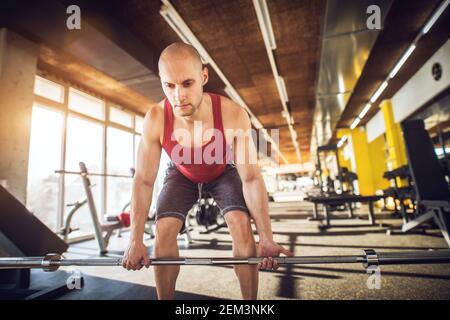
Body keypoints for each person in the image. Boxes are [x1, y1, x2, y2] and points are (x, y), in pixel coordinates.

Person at [122, 42, 293, 300]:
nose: (178, 96)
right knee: (165, 228)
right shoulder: (156, 118)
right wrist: (135, 240)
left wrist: (266, 237)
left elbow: (251, 178)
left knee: (239, 222)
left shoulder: (232, 114)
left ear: (204, 76)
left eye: (187, 83)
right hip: (181, 173)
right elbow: (144, 180)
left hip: (222, 170)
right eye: (169, 85)